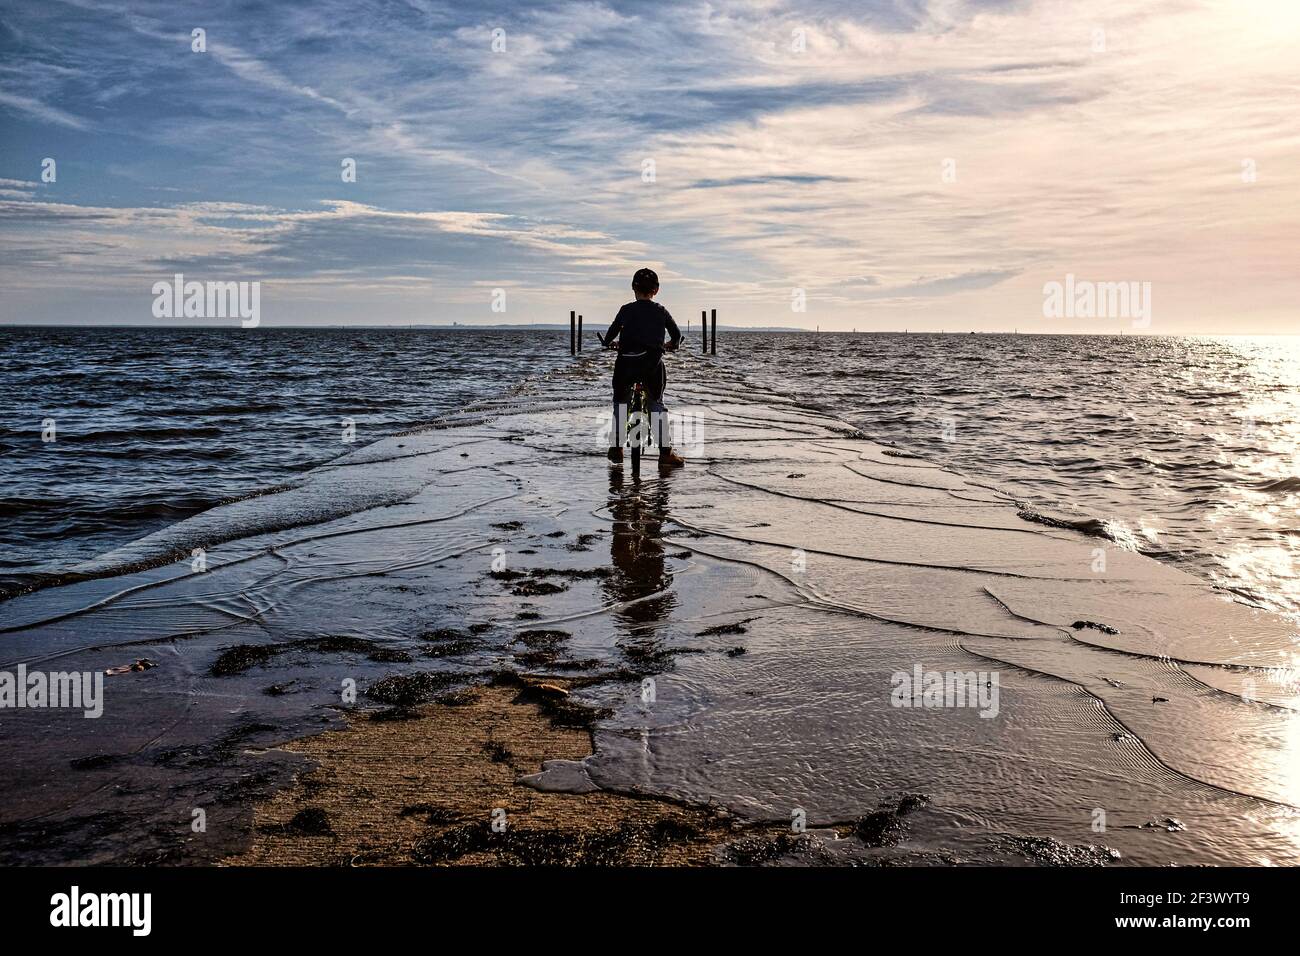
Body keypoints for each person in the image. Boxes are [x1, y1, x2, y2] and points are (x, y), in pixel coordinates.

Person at [600, 267, 685, 468]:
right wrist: (672, 345)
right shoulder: (661, 311)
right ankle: (665, 453)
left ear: (633, 288)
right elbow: (677, 335)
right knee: (656, 404)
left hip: (626, 365)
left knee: (620, 403)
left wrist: (609, 343)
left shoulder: (625, 310)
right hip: (651, 366)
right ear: (656, 290)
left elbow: (610, 335)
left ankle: (617, 448)